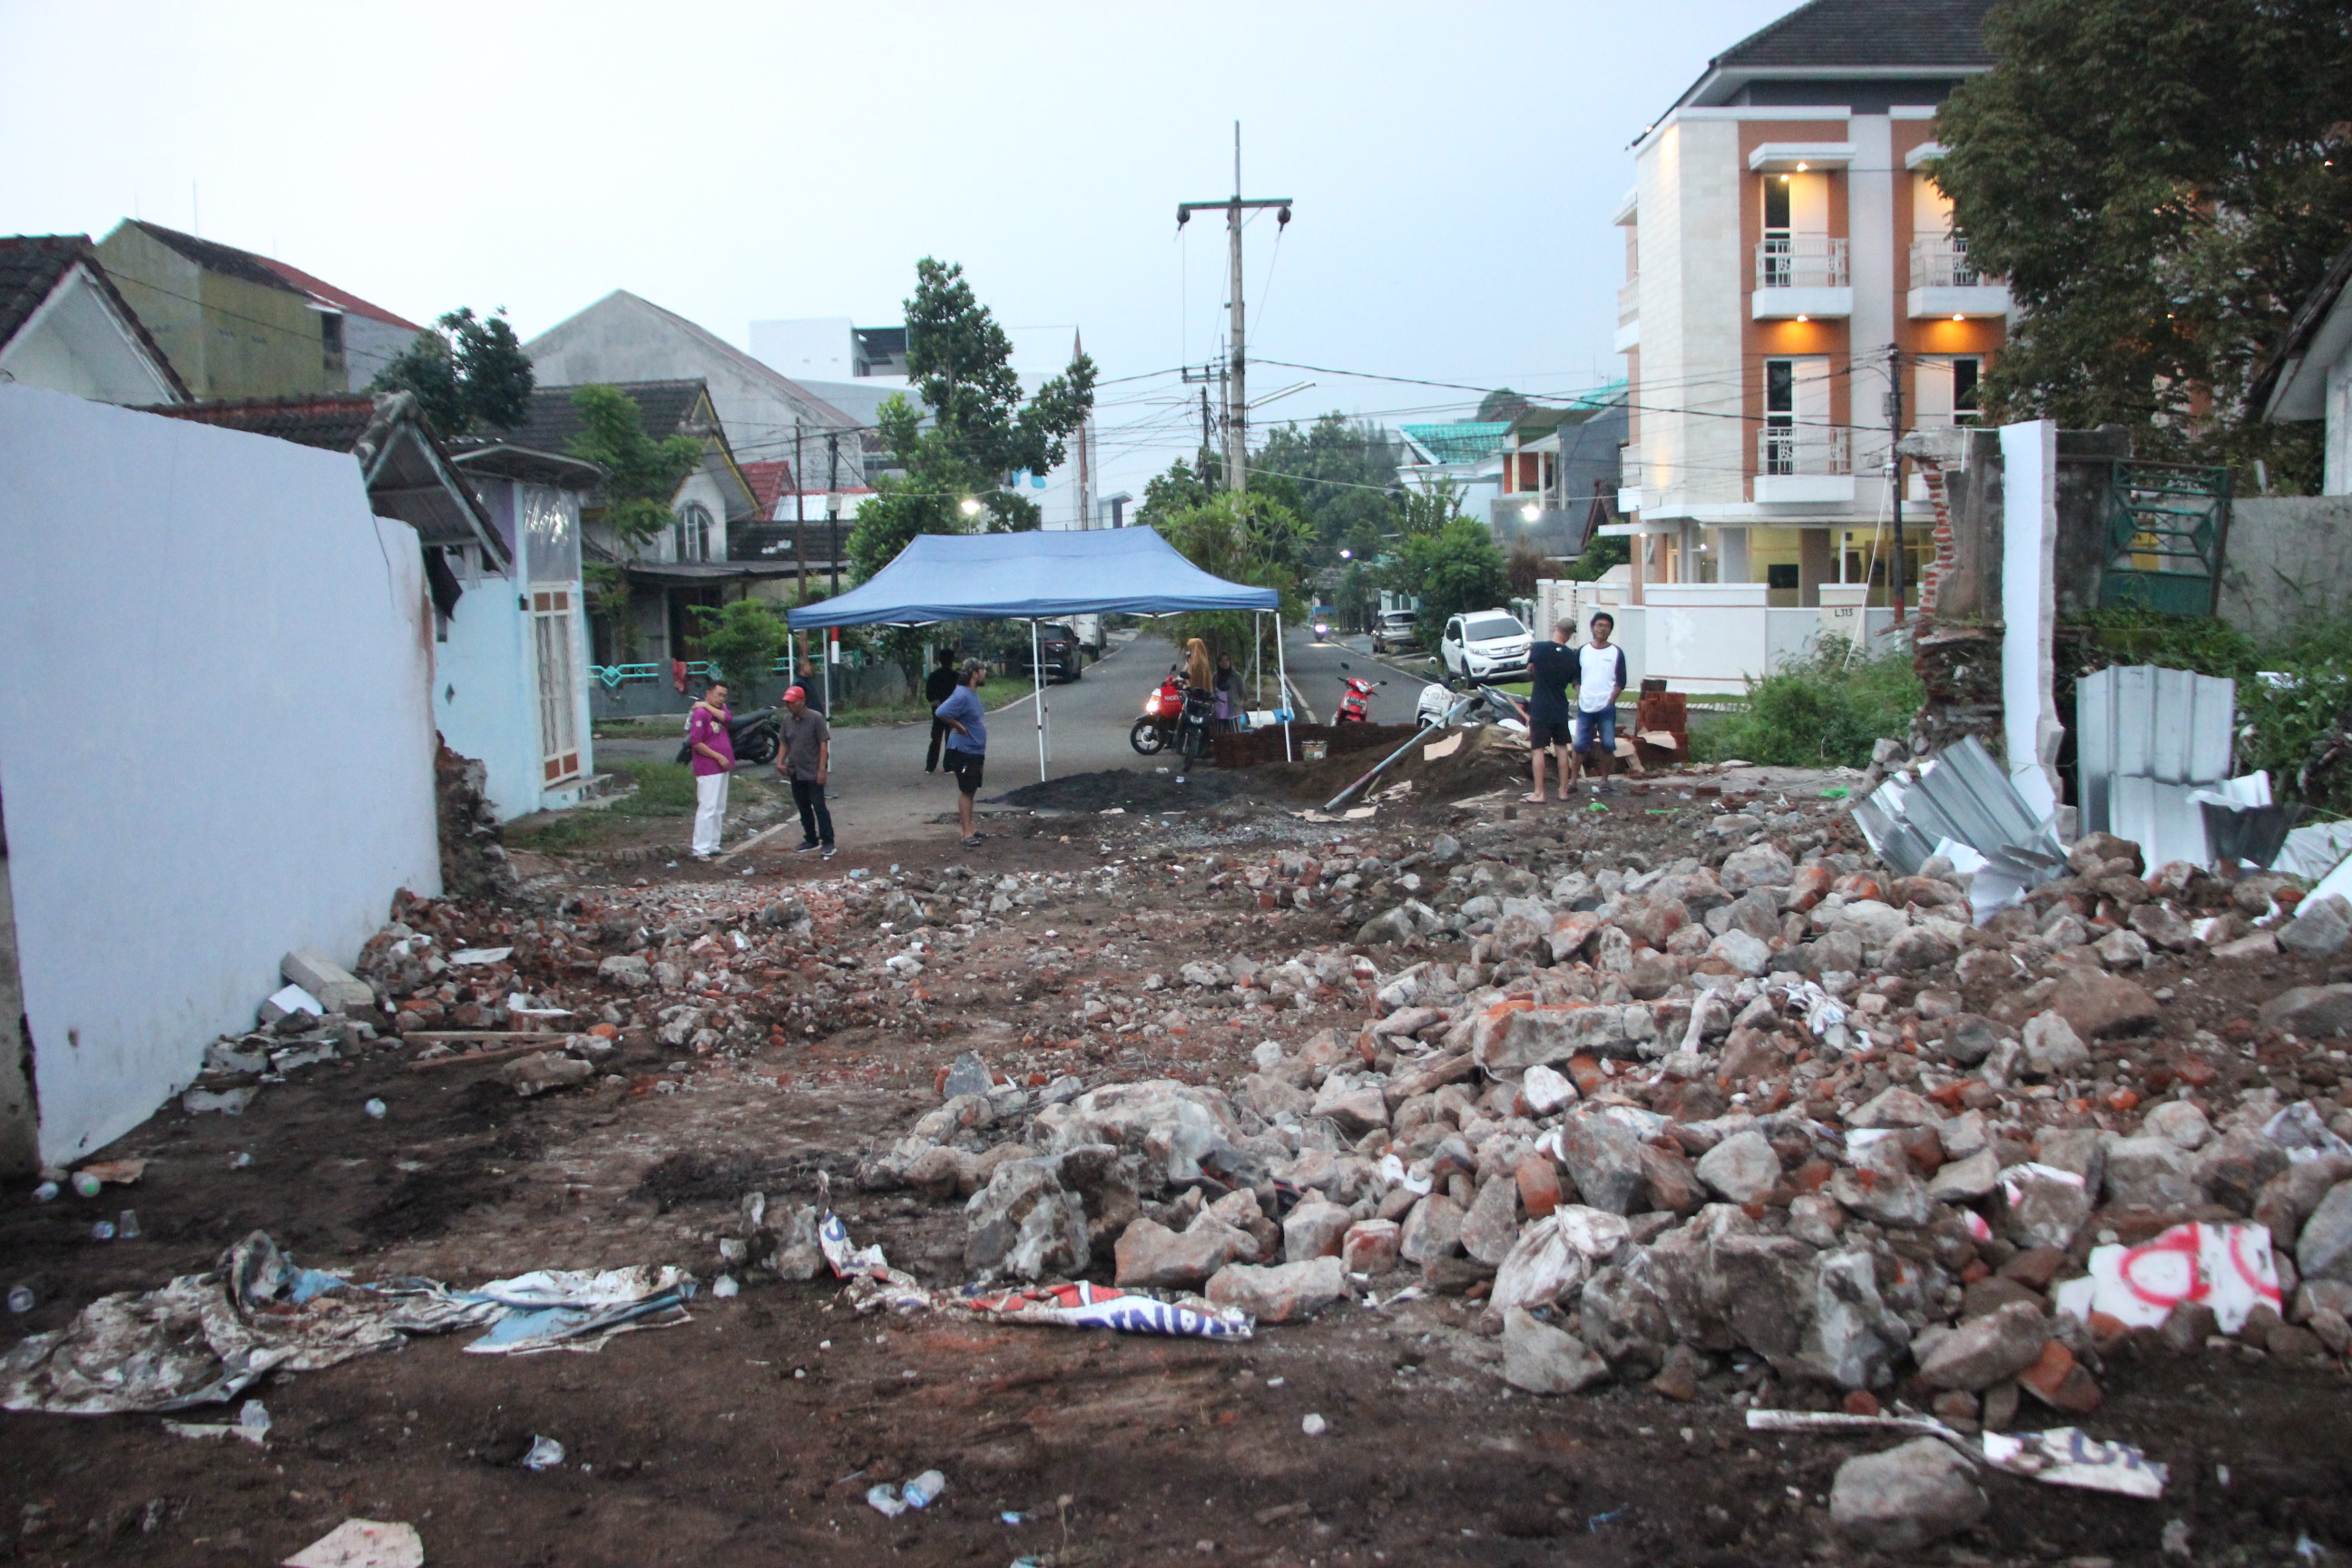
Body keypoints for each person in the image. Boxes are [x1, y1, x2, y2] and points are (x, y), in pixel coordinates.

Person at [775, 684, 834, 858]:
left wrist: (822, 769)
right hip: (795, 770)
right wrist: (780, 762)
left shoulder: (815, 718)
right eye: (787, 702)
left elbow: (823, 745)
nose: (789, 705)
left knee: (819, 806)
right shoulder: (787, 720)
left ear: (802, 701)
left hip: (813, 770)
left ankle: (828, 841)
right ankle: (810, 838)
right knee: (803, 807)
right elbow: (784, 742)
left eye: (792, 702)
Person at [935, 659, 989, 848]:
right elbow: (941, 712)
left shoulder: (971, 693)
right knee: (966, 790)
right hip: (964, 750)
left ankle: (970, 828)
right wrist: (958, 726)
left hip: (974, 749)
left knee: (971, 789)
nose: (985, 673)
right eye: (982, 670)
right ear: (974, 673)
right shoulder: (962, 695)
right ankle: (966, 833)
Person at [1523, 618, 1578, 801]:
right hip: (1560, 706)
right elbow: (1571, 679)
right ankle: (1563, 791)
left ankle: (1539, 793)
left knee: (1538, 749)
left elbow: (1531, 668)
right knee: (1561, 748)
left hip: (1540, 706)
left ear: (1555, 628)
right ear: (1570, 634)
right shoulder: (1571, 655)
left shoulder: (1538, 648)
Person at [1573, 612, 1632, 782]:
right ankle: (1573, 781)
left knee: (1607, 744)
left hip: (1606, 706)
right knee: (1580, 745)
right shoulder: (1583, 651)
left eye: (1606, 626)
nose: (1602, 629)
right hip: (1586, 705)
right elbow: (1575, 676)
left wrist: (1611, 700)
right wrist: (1579, 693)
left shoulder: (1616, 652)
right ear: (1592, 627)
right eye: (1599, 625)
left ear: (1611, 630)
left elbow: (1621, 681)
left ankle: (1604, 781)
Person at [686, 681, 734, 859]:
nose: (721, 699)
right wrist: (718, 756)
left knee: (719, 808)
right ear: (709, 693)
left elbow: (728, 719)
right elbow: (696, 742)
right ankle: (700, 848)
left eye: (724, 696)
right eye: (718, 694)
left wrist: (707, 705)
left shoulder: (717, 710)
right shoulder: (700, 713)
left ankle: (713, 844)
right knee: (708, 807)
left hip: (722, 767)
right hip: (708, 767)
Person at [923, 646, 961, 773]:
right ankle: (948, 766)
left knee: (936, 739)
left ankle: (930, 766)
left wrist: (938, 705)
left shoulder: (933, 676)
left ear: (939, 660)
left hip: (938, 711)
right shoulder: (956, 676)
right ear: (952, 661)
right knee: (951, 738)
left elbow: (929, 695)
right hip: (952, 712)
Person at [1212, 650, 1242, 732]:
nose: (1224, 663)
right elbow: (1213, 691)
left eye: (1226, 660)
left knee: (1236, 734)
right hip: (1219, 710)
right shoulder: (1215, 676)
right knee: (1220, 735)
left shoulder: (1236, 676)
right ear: (1218, 662)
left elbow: (1241, 693)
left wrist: (1237, 703)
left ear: (1230, 662)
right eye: (1222, 661)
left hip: (1233, 710)